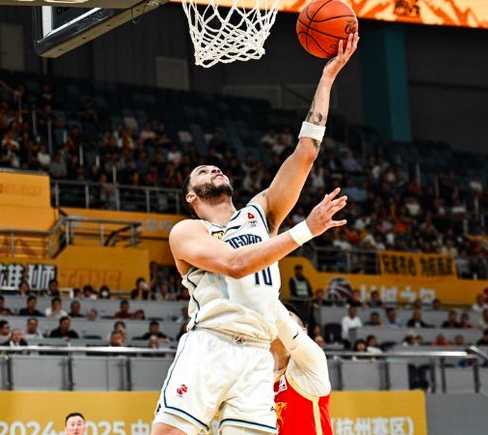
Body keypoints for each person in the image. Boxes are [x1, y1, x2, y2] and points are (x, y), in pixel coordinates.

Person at [152, 33, 358, 435]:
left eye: (216, 167)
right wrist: (306, 230)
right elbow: (234, 264)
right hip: (212, 342)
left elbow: (306, 153)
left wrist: (327, 78)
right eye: (202, 172)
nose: (213, 169)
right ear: (191, 196)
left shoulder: (260, 212)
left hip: (259, 354)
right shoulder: (188, 231)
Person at [271, 302, 332, 434]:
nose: (274, 320)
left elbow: (284, 324)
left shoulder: (313, 362)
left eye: (288, 316)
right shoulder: (259, 378)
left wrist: (263, 296)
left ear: (303, 332)